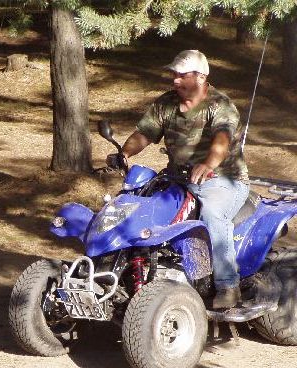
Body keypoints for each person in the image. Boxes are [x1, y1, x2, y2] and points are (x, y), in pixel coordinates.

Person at [107, 49, 250, 310]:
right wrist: (124, 153)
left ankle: (228, 285)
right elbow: (144, 133)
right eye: (174, 74)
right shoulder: (167, 103)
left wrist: (208, 164)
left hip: (223, 179)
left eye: (182, 75)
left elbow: (222, 139)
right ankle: (119, 271)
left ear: (201, 77)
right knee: (137, 205)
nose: (175, 79)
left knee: (212, 215)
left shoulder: (220, 105)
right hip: (178, 179)